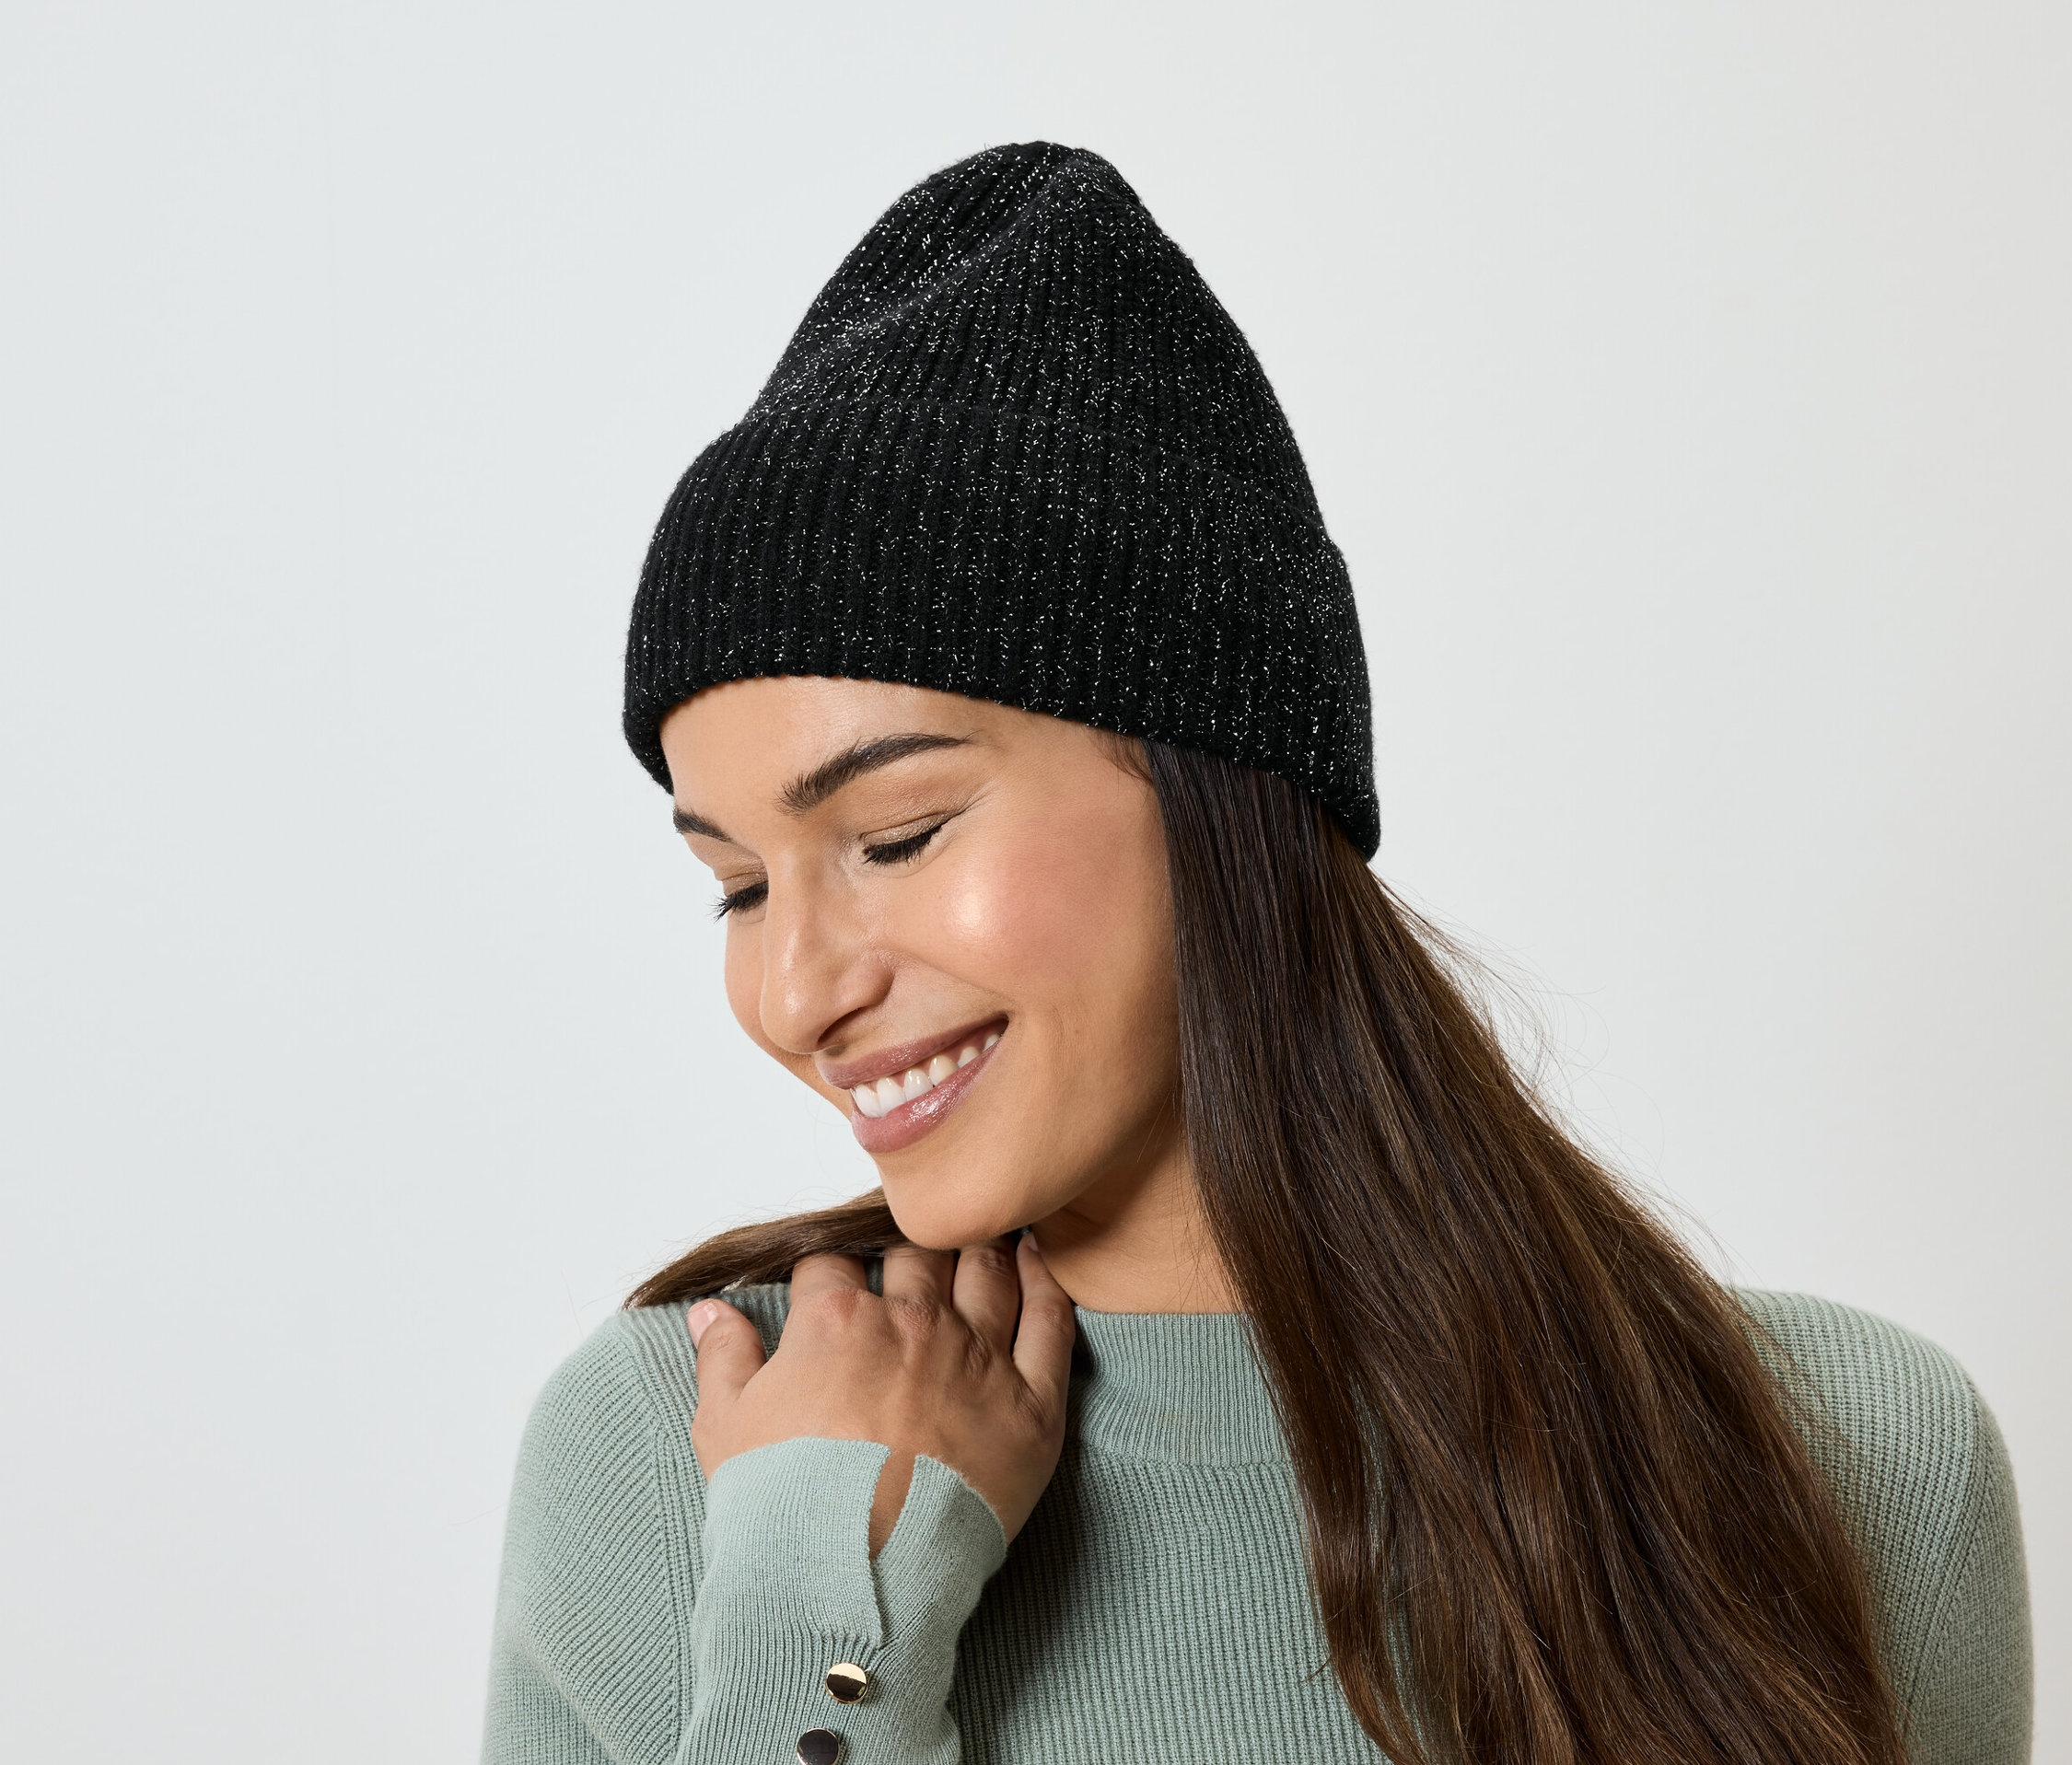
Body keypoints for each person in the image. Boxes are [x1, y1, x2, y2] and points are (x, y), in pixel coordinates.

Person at [481, 143, 2031, 1765]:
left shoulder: (1842, 1454)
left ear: (1218, 784)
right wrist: (820, 1614)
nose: (796, 991)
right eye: (736, 885)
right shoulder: (693, 1445)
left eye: (895, 835)